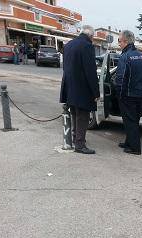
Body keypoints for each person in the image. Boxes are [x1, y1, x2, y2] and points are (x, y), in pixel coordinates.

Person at [60, 25, 100, 155]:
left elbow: (66, 67)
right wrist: (96, 92)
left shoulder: (69, 45)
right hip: (82, 88)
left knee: (74, 114)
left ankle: (75, 138)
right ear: (91, 36)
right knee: (82, 116)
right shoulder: (87, 46)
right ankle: (80, 144)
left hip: (69, 87)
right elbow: (91, 71)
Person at [114, 30, 142, 155]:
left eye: (119, 41)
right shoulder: (141, 56)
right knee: (134, 120)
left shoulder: (125, 56)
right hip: (139, 95)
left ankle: (135, 148)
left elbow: (120, 77)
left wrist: (119, 93)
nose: (118, 43)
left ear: (125, 41)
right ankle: (129, 142)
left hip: (127, 95)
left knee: (129, 121)